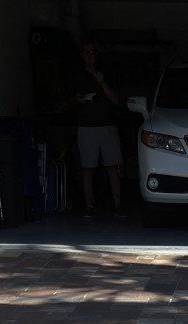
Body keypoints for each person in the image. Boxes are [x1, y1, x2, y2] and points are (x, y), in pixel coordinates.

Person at [74, 41, 124, 217]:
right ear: (82, 55)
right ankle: (89, 205)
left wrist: (101, 82)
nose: (90, 55)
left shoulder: (107, 74)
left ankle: (117, 205)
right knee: (88, 168)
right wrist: (78, 99)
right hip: (86, 126)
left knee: (112, 167)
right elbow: (70, 99)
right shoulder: (77, 75)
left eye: (93, 52)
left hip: (107, 126)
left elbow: (116, 101)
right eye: (86, 52)